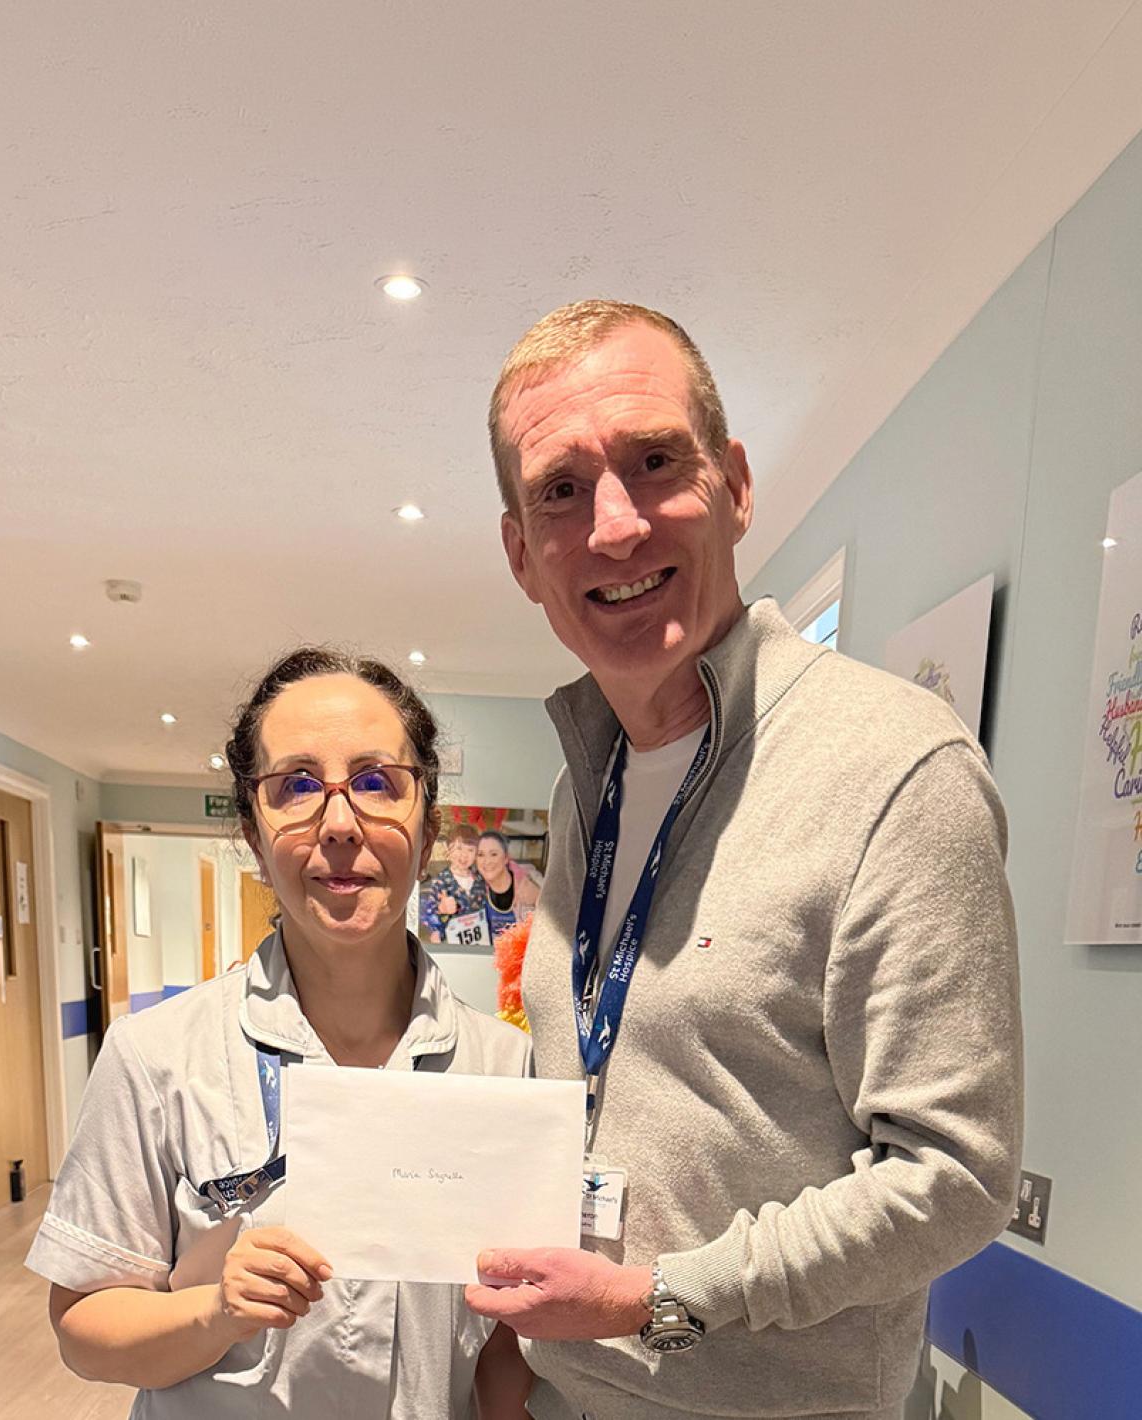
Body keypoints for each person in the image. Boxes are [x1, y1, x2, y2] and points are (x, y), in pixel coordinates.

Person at [462, 300, 1022, 1420]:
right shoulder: (591, 784)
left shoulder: (895, 765)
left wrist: (656, 1300)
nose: (614, 526)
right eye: (560, 490)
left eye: (654, 460)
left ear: (736, 485)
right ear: (523, 553)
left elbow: (957, 1178)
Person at [29, 649, 534, 1418]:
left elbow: (503, 1346)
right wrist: (215, 1311)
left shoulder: (502, 1069)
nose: (338, 824)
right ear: (252, 832)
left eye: (376, 782)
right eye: (295, 786)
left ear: (427, 826)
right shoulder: (158, 1056)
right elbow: (84, 1329)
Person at [421, 823, 489, 945]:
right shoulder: (441, 882)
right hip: (452, 942)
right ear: (448, 850)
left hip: (480, 943)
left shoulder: (480, 879)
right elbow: (428, 914)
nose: (464, 855)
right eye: (459, 848)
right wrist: (441, 909)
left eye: (470, 850)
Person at [472, 831, 541, 928]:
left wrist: (539, 898)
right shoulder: (472, 886)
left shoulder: (530, 880)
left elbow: (557, 911)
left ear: (506, 858)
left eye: (494, 854)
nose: (487, 861)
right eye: (480, 855)